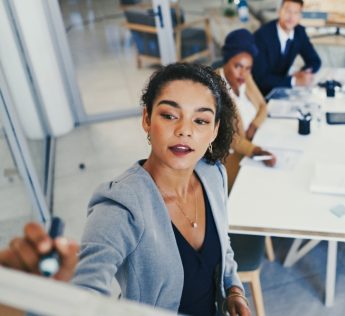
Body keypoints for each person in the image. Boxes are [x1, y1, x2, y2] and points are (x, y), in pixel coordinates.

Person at [0, 63, 251, 316]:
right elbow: (85, 293)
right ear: (147, 119)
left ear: (214, 130)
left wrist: (233, 291)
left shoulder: (213, 174)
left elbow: (223, 245)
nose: (184, 130)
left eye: (201, 120)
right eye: (169, 115)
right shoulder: (120, 206)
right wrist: (46, 300)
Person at [216, 29, 277, 190]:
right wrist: (256, 151)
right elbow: (227, 137)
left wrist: (254, 126)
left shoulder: (245, 78)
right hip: (234, 158)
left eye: (248, 68)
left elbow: (263, 106)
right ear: (226, 61)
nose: (243, 74)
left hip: (259, 143)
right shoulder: (215, 89)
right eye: (238, 66)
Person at [252, 0, 321, 96]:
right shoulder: (262, 36)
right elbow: (261, 78)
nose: (291, 17)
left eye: (296, 13)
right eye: (288, 11)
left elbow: (314, 60)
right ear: (279, 11)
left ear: (300, 16)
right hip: (260, 93)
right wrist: (294, 81)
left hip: (281, 90)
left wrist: (304, 72)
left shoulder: (299, 32)